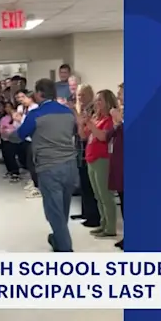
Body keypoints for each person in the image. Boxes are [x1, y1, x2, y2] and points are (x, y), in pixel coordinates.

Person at [17, 78, 78, 252]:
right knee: (63, 209)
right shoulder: (67, 112)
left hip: (49, 167)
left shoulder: (36, 115)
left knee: (54, 211)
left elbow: (21, 134)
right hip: (70, 165)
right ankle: (58, 239)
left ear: (38, 93)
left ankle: (66, 250)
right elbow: (73, 131)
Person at [79, 89, 120, 238]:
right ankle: (103, 223)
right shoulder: (97, 118)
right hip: (91, 158)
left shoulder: (109, 120)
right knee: (97, 195)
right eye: (96, 100)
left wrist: (90, 123)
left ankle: (110, 227)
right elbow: (84, 135)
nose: (96, 103)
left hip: (102, 159)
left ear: (107, 102)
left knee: (105, 195)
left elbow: (103, 137)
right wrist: (82, 123)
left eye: (100, 100)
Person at [70, 84, 100, 228]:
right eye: (78, 95)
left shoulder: (92, 109)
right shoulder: (83, 109)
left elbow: (84, 129)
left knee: (90, 185)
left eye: (82, 95)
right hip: (80, 150)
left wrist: (73, 112)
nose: (80, 98)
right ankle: (85, 212)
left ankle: (93, 216)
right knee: (83, 183)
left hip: (89, 149)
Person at [14, 89, 41, 198]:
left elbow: (30, 123)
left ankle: (38, 187)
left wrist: (21, 119)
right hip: (27, 138)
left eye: (24, 97)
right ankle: (34, 183)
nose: (22, 100)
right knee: (29, 163)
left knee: (33, 163)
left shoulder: (35, 109)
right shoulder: (24, 108)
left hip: (34, 139)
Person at [108, 83, 125, 250]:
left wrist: (121, 122)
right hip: (119, 160)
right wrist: (115, 123)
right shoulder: (121, 112)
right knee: (123, 200)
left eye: (121, 93)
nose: (118, 97)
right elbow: (111, 134)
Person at [0, 103, 22, 182]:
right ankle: (10, 170)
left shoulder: (17, 117)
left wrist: (9, 130)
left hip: (14, 138)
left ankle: (15, 172)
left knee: (12, 155)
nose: (8, 109)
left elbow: (18, 127)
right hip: (5, 138)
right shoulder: (4, 118)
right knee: (6, 155)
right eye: (6, 107)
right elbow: (2, 129)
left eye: (9, 107)